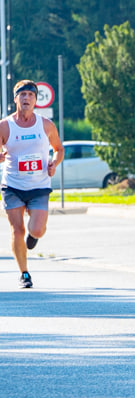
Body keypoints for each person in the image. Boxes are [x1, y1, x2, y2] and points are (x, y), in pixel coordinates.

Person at [0, 80, 64, 289]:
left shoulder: (45, 125)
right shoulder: (5, 126)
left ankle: (33, 237)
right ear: (15, 98)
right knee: (16, 230)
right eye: (23, 94)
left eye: (31, 95)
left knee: (36, 230)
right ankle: (24, 273)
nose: (27, 98)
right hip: (13, 185)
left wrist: (54, 162)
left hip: (39, 185)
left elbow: (59, 149)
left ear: (36, 100)